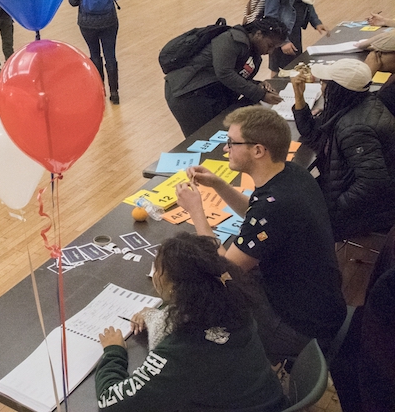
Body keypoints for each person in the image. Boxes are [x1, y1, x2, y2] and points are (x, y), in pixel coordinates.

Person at [174, 106, 346, 365]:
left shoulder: (275, 205)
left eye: (232, 143)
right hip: (321, 303)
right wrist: (219, 184)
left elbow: (226, 270)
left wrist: (196, 211)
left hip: (300, 327)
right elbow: (257, 215)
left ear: (258, 150)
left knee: (212, 307)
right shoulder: (291, 174)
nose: (225, 149)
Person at [95, 233, 286, 411]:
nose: (154, 275)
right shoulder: (237, 309)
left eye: (158, 269)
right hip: (270, 402)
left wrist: (114, 352)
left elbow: (110, 401)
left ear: (176, 288)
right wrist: (155, 316)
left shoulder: (182, 352)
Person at [291, 58, 395, 240]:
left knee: (294, 222)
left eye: (324, 83)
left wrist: (333, 207)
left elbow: (373, 184)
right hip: (349, 189)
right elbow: (312, 134)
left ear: (337, 89)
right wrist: (299, 97)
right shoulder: (358, 103)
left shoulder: (355, 129)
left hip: (371, 211)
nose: (321, 86)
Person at [164, 17, 288, 137]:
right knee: (203, 139)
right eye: (270, 45)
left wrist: (258, 84)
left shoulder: (252, 51)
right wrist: (260, 94)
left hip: (207, 93)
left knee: (220, 135)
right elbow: (225, 73)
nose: (270, 51)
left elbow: (237, 76)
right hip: (187, 95)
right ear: (259, 34)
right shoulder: (232, 40)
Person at [68, 0, 123, 103]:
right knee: (110, 55)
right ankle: (115, 93)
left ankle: (100, 91)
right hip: (109, 20)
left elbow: (72, 1)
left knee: (95, 55)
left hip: (87, 22)